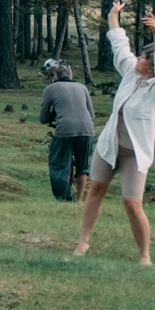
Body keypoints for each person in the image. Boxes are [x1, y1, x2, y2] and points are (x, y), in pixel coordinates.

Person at [74, 1, 155, 264]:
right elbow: (120, 46)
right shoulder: (132, 75)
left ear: (151, 65)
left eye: (144, 58)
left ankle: (144, 255)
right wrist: (112, 16)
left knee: (132, 205)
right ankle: (83, 242)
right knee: (96, 189)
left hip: (135, 154)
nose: (138, 59)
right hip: (110, 146)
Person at [36, 59, 97, 203]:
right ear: (71, 74)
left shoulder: (50, 89)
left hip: (64, 130)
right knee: (83, 166)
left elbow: (43, 118)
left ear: (55, 75)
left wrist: (55, 116)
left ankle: (63, 197)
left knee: (59, 163)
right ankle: (79, 199)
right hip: (87, 130)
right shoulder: (82, 87)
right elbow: (92, 115)